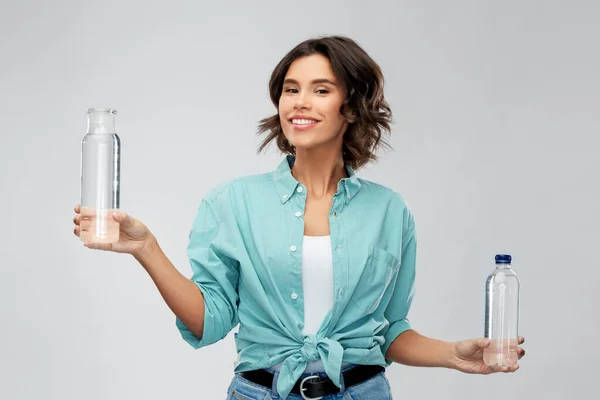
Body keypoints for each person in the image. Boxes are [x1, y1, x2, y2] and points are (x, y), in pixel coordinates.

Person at [73, 35, 526, 400]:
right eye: (291, 89)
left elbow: (388, 333)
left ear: (351, 107)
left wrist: (454, 354)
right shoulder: (232, 203)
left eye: (320, 89)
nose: (299, 103)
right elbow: (209, 322)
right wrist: (145, 248)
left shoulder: (390, 211)